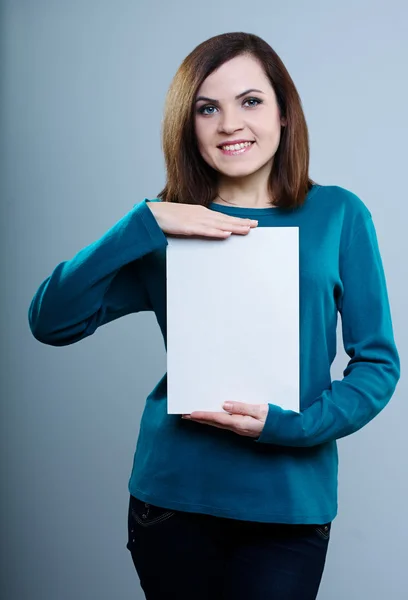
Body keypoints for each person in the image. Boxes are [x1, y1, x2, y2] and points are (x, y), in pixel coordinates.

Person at [28, 31, 400, 600]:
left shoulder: (338, 215)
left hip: (289, 503)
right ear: (189, 123)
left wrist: (290, 426)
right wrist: (144, 223)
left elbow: (377, 364)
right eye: (208, 107)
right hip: (172, 500)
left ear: (283, 113)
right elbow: (50, 321)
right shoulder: (167, 224)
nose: (230, 123)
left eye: (250, 101)